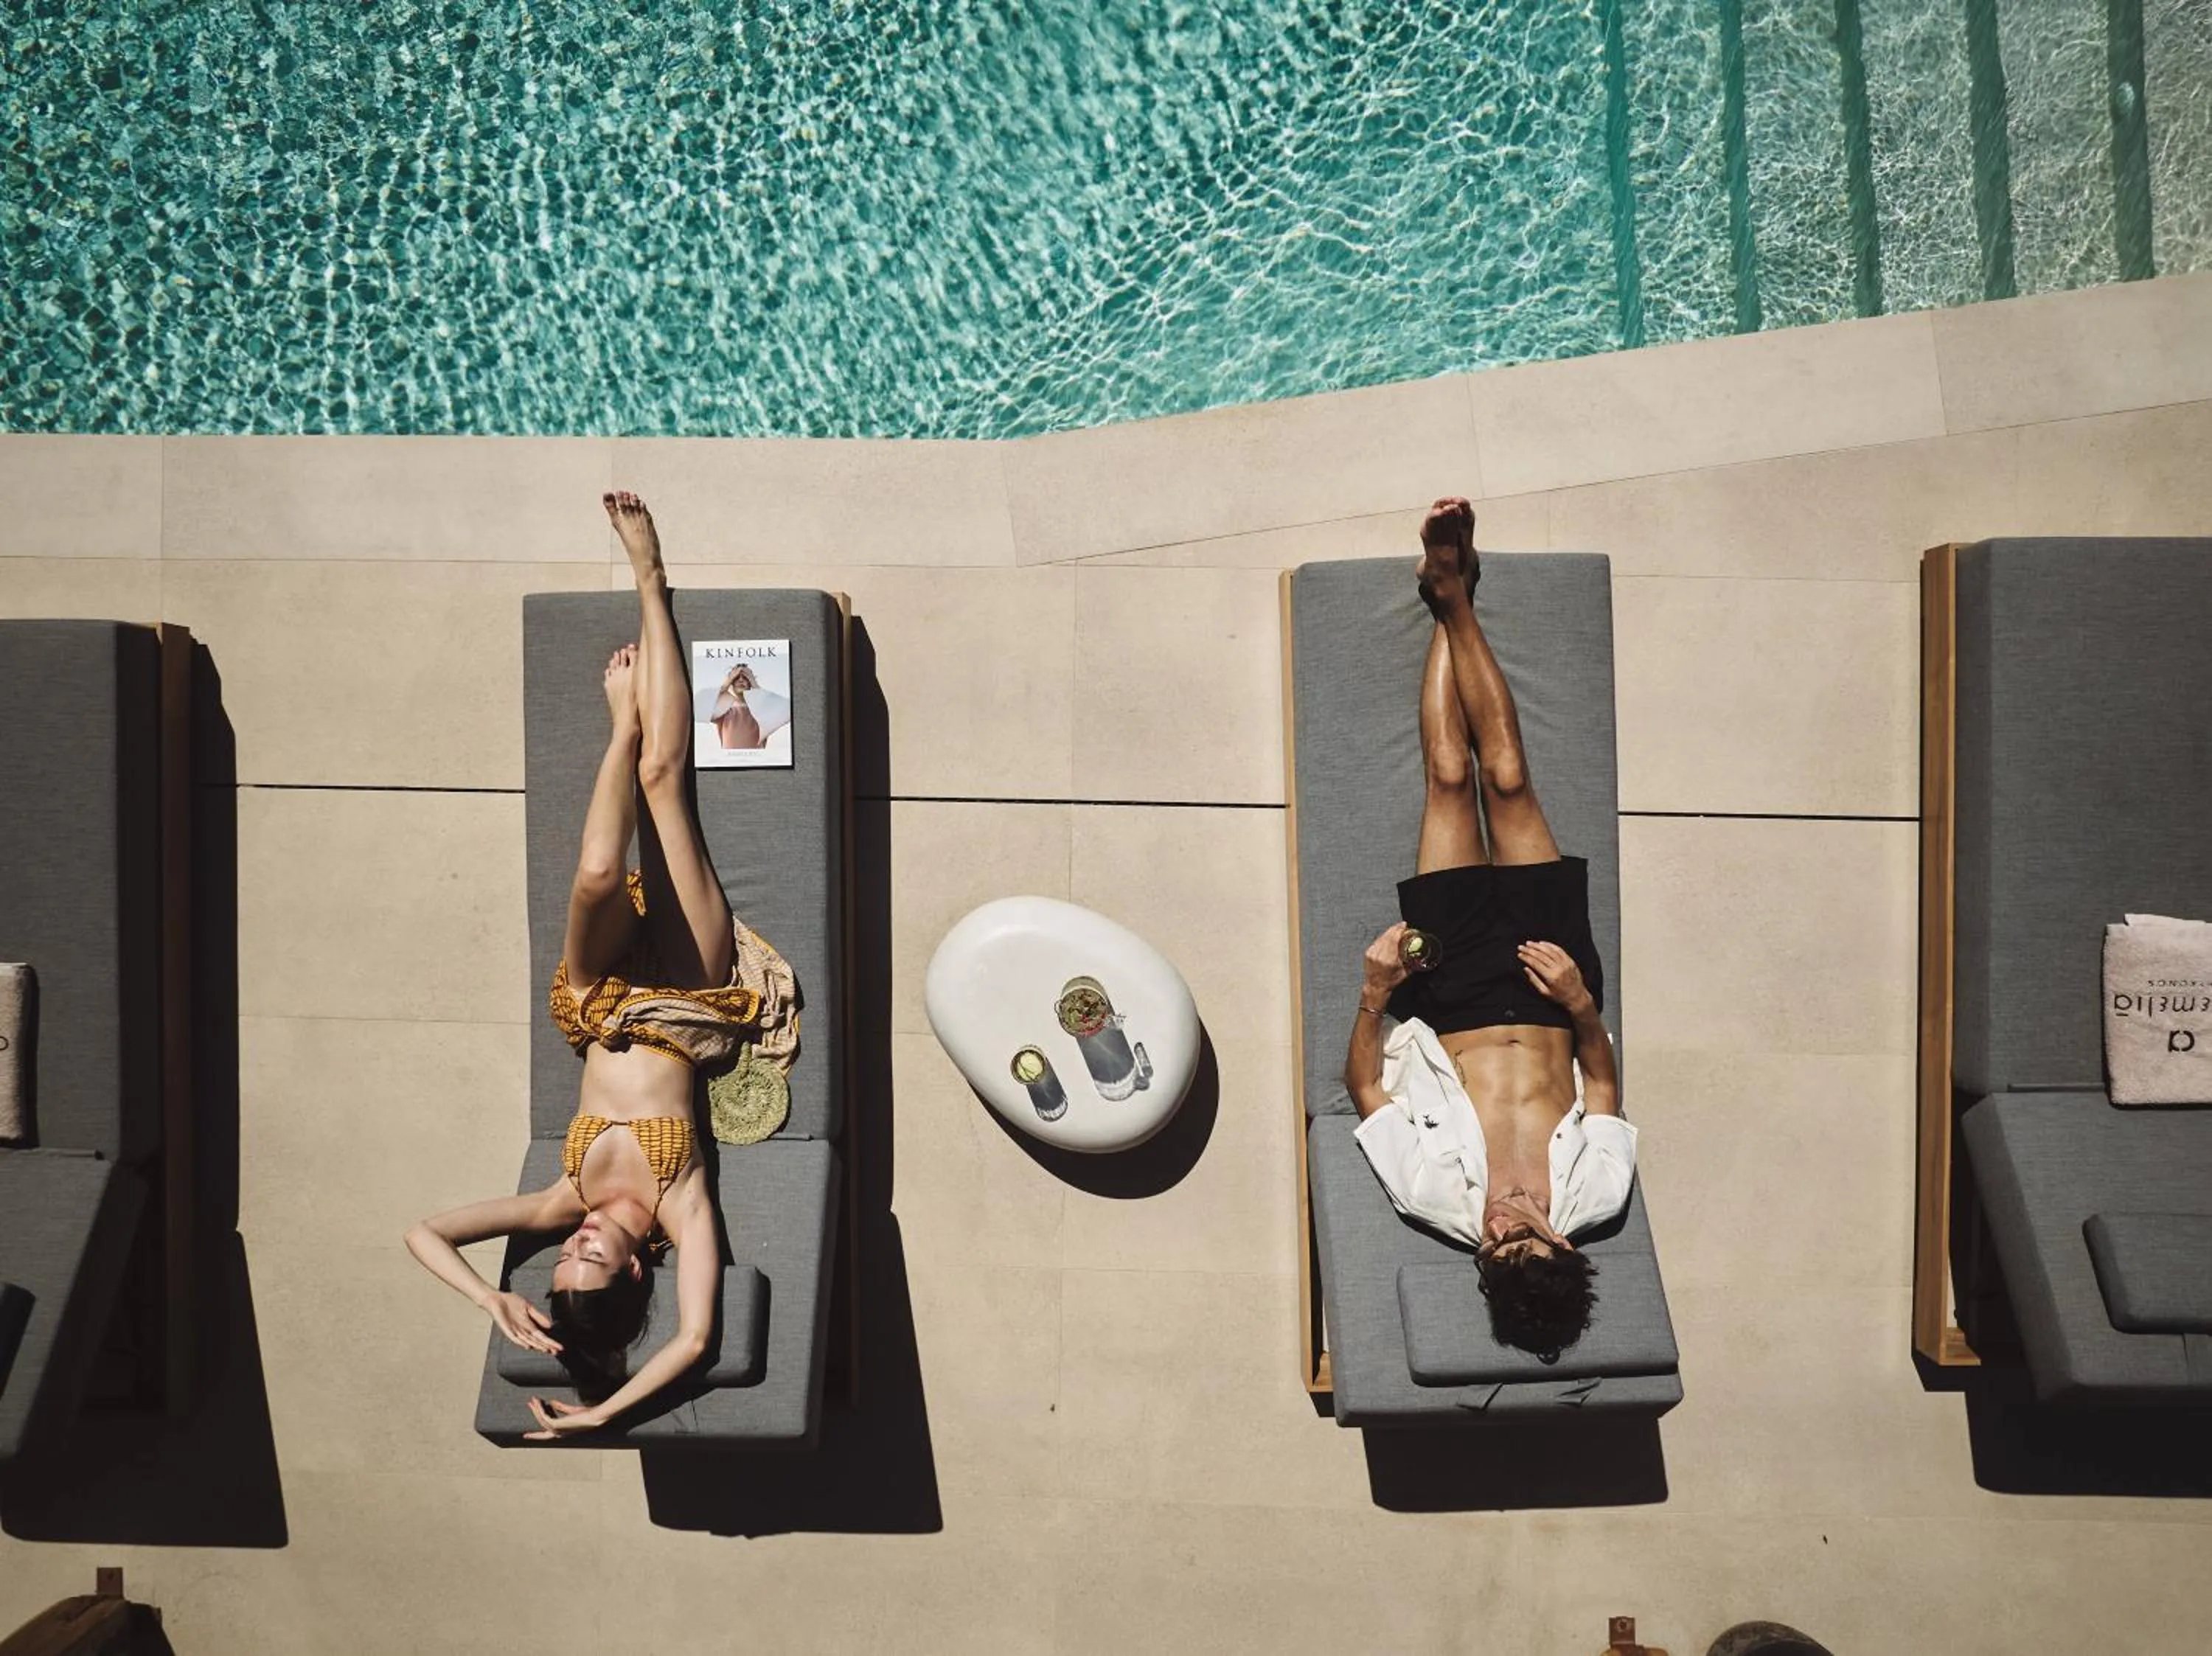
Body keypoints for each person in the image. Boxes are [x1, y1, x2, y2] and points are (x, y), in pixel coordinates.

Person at [406, 491, 771, 1439]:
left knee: (604, 866)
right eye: (592, 1258)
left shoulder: (560, 1194)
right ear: (634, 1267)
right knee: (662, 784)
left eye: (560, 1258)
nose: (575, 1240)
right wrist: (602, 1412)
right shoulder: (681, 1209)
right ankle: (653, 577)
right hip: (691, 995)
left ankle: (618, 723)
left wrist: (488, 1303)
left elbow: (424, 1232)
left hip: (600, 996)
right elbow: (693, 1339)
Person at [1343, 496, 1635, 1362]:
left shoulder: (1432, 1199)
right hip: (1554, 988)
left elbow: (1365, 1091)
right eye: (1527, 1233)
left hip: (1460, 991)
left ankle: (1450, 590)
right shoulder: (1599, 1195)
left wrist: (1374, 994)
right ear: (1565, 1245)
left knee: (1447, 776)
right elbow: (1606, 1091)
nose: (1506, 1221)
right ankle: (1454, 596)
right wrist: (1583, 1005)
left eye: (1497, 1242)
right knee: (1506, 779)